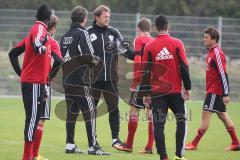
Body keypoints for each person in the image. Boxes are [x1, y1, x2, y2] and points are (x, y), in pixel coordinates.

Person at [9, 14, 63, 160]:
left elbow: (12, 53)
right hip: (41, 83)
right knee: (39, 119)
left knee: (33, 118)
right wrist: (49, 77)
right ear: (53, 28)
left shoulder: (31, 37)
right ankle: (33, 155)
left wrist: (21, 74)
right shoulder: (52, 42)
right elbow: (59, 61)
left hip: (28, 82)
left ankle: (32, 155)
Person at [140, 15, 191, 160]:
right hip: (175, 91)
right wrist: (187, 87)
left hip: (157, 93)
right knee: (181, 121)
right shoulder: (177, 43)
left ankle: (163, 157)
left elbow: (145, 71)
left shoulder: (149, 46)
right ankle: (179, 155)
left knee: (159, 125)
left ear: (155, 28)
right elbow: (184, 66)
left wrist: (145, 93)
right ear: (168, 26)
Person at [60, 6, 109, 155]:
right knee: (91, 111)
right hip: (80, 80)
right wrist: (96, 63)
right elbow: (89, 56)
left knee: (72, 113)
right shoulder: (83, 33)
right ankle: (93, 146)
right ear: (84, 19)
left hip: (67, 80)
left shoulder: (65, 36)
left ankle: (70, 145)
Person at [87, 5, 134, 151]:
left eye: (109, 17)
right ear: (97, 17)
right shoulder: (87, 33)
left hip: (111, 79)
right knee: (91, 110)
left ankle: (115, 139)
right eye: (105, 16)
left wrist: (140, 54)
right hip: (94, 79)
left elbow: (125, 50)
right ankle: (92, 139)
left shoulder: (114, 32)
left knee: (114, 108)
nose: (108, 19)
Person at [185, 27, 240, 151]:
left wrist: (226, 93)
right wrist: (207, 89)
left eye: (206, 37)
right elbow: (212, 74)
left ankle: (194, 143)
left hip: (216, 91)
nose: (203, 39)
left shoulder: (217, 53)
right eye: (204, 37)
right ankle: (236, 143)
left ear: (214, 39)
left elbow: (223, 74)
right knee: (222, 115)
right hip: (212, 90)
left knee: (206, 114)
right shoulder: (210, 52)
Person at [121, 18, 154, 154]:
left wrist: (135, 83)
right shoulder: (154, 41)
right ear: (150, 29)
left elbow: (138, 61)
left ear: (138, 29)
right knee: (151, 113)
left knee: (134, 110)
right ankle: (149, 147)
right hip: (154, 81)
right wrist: (127, 52)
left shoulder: (139, 39)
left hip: (141, 81)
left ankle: (128, 144)